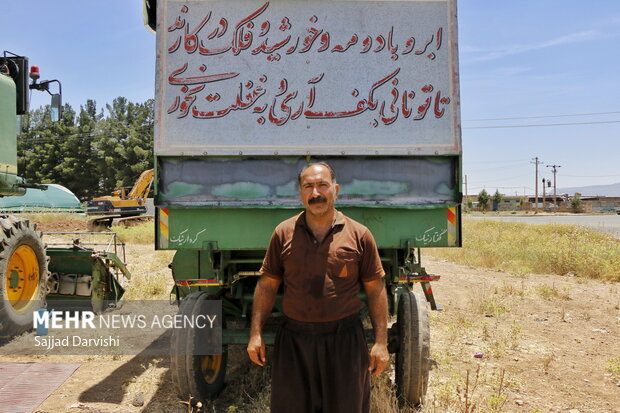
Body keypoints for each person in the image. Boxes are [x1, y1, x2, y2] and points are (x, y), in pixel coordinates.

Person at [247, 161, 389, 413]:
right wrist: (256, 333)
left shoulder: (359, 234)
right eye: (308, 186)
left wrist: (381, 342)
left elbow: (375, 288)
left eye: (322, 185)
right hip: (294, 341)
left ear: (336, 189)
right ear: (301, 193)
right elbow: (268, 285)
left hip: (344, 341)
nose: (315, 193)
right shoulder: (283, 233)